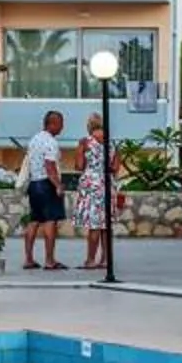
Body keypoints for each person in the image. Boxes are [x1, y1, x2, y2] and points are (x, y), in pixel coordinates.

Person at [20, 110, 67, 270]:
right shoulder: (51, 142)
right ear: (52, 124)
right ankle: (49, 260)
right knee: (50, 222)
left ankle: (28, 259)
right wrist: (58, 185)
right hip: (46, 184)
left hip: (34, 184)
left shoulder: (34, 139)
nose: (62, 127)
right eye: (60, 123)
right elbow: (50, 166)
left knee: (34, 221)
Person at [75, 113, 114, 272]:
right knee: (106, 225)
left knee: (94, 225)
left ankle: (90, 259)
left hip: (91, 184)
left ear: (89, 126)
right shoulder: (112, 144)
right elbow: (116, 168)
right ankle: (105, 259)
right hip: (107, 183)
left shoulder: (85, 142)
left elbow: (78, 165)